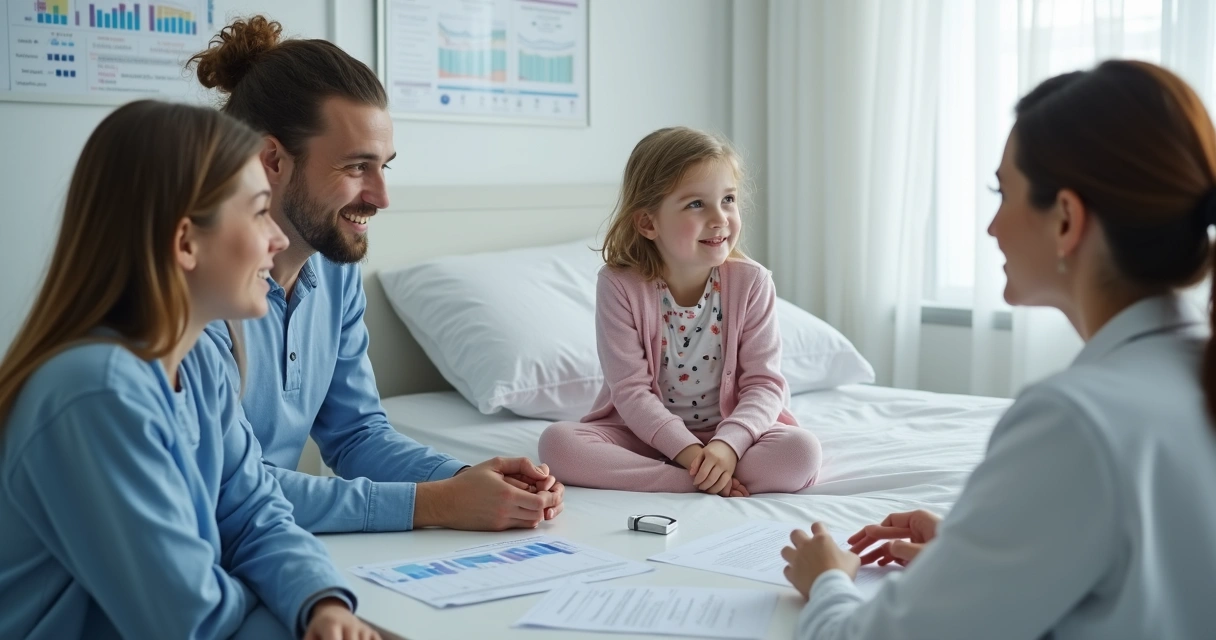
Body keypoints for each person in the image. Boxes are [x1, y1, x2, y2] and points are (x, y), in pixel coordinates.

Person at [782, 60, 1216, 639]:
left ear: (1066, 219)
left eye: (1002, 192)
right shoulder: (1191, 372)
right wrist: (977, 551)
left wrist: (827, 580)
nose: (991, 227)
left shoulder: (1074, 421)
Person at [0, 100, 378, 639]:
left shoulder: (199, 360)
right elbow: (186, 620)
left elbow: (256, 517)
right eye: (257, 212)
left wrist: (321, 607)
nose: (276, 238)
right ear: (184, 242)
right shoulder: (94, 392)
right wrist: (285, 611)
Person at [189, 16, 564, 533]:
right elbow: (227, 486)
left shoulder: (334, 270)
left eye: (384, 165)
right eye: (355, 167)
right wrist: (434, 504)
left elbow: (355, 434)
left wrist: (466, 480)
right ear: (272, 159)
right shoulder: (197, 289)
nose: (382, 197)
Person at [538, 126, 822, 495]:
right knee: (558, 444)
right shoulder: (620, 285)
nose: (720, 217)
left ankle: (713, 472)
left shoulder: (751, 283)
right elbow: (631, 391)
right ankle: (694, 481)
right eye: (696, 204)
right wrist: (690, 456)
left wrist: (726, 446)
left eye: (729, 199)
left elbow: (765, 385)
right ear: (648, 222)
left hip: (731, 435)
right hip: (642, 434)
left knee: (800, 452)